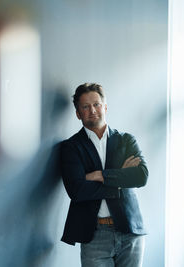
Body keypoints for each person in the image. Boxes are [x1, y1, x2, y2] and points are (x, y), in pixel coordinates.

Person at [60, 83, 148, 267]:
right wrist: (120, 178)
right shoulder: (71, 147)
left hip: (130, 230)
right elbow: (77, 190)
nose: (92, 110)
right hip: (94, 234)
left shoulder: (126, 140)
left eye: (96, 104)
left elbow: (140, 176)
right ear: (78, 113)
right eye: (85, 106)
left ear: (105, 107)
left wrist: (100, 175)